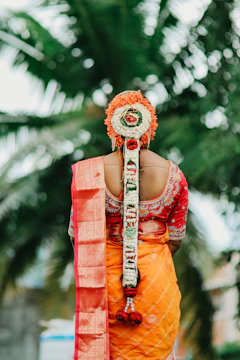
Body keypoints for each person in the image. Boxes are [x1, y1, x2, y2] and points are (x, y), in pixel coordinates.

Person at [68, 90, 189, 360]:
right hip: (156, 283)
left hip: (105, 287)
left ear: (112, 124)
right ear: (150, 124)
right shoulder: (175, 175)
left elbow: (78, 238)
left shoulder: (90, 172)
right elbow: (176, 239)